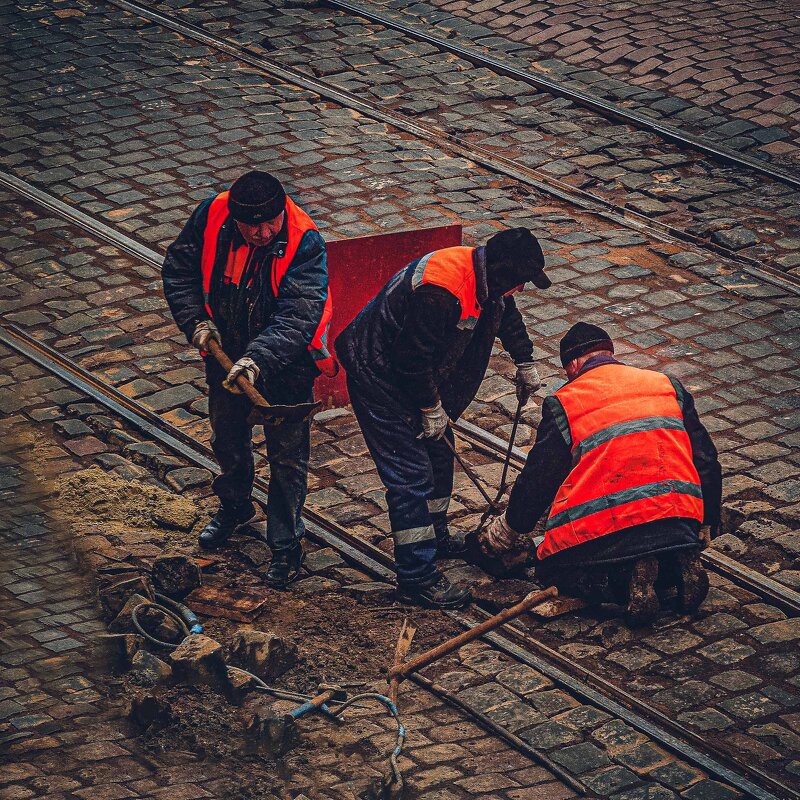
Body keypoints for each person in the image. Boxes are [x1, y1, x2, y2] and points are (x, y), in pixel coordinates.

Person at [335, 228, 552, 609]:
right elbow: (410, 359)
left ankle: (434, 537)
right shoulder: (441, 290)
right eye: (518, 282)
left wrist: (525, 359)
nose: (519, 290)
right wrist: (429, 408)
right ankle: (416, 577)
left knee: (438, 458)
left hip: (412, 377)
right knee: (410, 476)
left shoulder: (487, 280)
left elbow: (505, 313)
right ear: (501, 271)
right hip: (379, 377)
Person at [479, 322, 722, 626]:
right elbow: (706, 459)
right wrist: (708, 519)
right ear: (609, 353)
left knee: (553, 570)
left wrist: (510, 529)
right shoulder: (665, 384)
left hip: (611, 531)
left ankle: (626, 580)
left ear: (574, 364)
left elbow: (539, 480)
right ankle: (675, 562)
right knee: (664, 544)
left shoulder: (566, 402)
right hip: (676, 521)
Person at [162, 170, 335, 588]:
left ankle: (285, 544)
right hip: (226, 352)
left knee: (287, 458)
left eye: (269, 223)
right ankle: (236, 506)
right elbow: (179, 269)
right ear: (234, 220)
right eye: (251, 226)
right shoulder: (212, 214)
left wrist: (258, 359)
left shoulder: (304, 241)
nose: (261, 232)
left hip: (287, 361)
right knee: (227, 437)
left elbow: (298, 316)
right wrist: (196, 322)